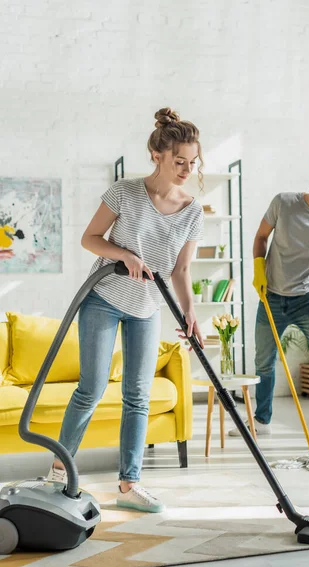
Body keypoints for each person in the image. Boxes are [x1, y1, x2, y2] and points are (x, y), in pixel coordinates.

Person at [47, 107, 205, 512]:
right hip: (103, 299)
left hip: (148, 307)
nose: (187, 169)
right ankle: (59, 474)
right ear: (158, 155)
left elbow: (182, 270)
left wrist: (190, 313)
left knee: (138, 395)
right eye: (179, 161)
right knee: (92, 388)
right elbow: (91, 238)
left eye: (193, 162)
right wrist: (124, 255)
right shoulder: (125, 192)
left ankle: (129, 484)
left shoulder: (192, 210)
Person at [229, 158, 309, 455]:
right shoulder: (284, 203)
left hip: (307, 300)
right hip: (271, 295)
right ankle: (261, 421)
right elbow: (261, 237)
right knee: (264, 361)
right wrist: (258, 268)